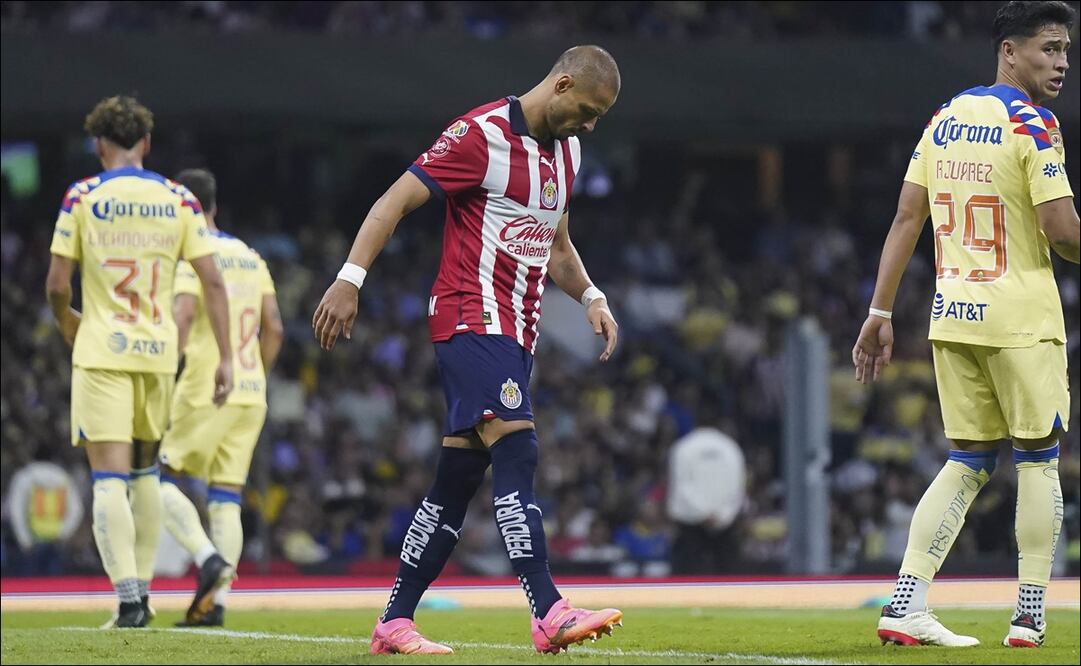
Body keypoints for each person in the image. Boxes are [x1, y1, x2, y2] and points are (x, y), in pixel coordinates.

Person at [313, 45, 624, 655]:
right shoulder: (478, 136)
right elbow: (393, 202)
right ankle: (548, 609)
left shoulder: (569, 152)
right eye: (587, 110)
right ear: (561, 85)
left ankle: (394, 621)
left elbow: (556, 245)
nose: (590, 125)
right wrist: (350, 280)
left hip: (517, 330)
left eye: (599, 118)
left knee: (456, 479)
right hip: (468, 316)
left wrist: (590, 295)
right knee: (518, 446)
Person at [852, 1, 1078, 649]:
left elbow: (904, 218)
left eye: (1065, 50)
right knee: (1037, 460)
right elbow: (1061, 234)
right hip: (1020, 317)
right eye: (1048, 48)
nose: (1060, 62)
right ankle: (1029, 614)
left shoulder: (944, 117)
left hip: (952, 314)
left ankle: (905, 602)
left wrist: (878, 311)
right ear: (1009, 50)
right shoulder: (1033, 124)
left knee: (966, 461)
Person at [46, 96, 234, 628]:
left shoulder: (81, 196)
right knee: (146, 473)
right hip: (158, 355)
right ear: (146, 144)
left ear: (99, 144)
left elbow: (58, 284)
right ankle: (144, 593)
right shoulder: (180, 199)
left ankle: (130, 601)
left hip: (103, 350)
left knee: (108, 481)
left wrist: (66, 323)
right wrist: (224, 358)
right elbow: (212, 281)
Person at [158, 168, 284, 627]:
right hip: (251, 390)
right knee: (225, 496)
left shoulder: (195, 255)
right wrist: (256, 374)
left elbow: (184, 315)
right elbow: (275, 326)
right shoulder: (250, 256)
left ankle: (206, 556)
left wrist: (160, 374)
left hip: (206, 384)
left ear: (185, 206)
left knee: (150, 477)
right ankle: (216, 604)